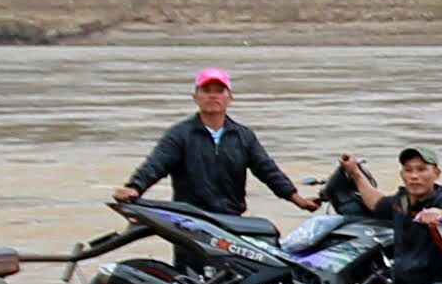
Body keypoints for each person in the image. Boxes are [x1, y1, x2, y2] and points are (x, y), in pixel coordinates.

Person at [115, 69, 305, 220]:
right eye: (206, 91)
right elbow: (156, 165)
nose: (213, 96)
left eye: (219, 91)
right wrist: (135, 187)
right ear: (196, 97)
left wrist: (297, 199)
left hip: (230, 220)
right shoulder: (180, 134)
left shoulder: (243, 136)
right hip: (190, 220)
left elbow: (268, 171)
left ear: (230, 98)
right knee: (188, 270)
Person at [331, 146, 442, 284]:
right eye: (408, 170)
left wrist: (439, 216)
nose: (414, 176)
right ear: (402, 175)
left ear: (436, 173)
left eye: (421, 169)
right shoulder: (401, 202)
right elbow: (376, 203)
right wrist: (355, 172)